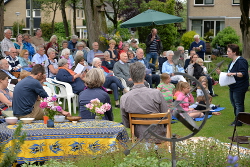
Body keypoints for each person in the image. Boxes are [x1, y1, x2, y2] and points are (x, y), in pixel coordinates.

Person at [120, 62, 168, 143]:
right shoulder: (156, 93)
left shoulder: (125, 98)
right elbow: (166, 117)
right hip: (158, 136)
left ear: (131, 77)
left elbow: (126, 123)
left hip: (139, 137)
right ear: (144, 75)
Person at [216, 44, 249, 126]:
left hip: (240, 86)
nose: (227, 53)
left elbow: (243, 73)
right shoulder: (232, 62)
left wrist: (232, 73)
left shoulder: (241, 61)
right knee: (234, 103)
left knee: (238, 103)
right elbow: (230, 73)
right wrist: (221, 73)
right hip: (233, 85)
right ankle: (238, 119)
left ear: (234, 52)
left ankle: (239, 121)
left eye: (229, 51)